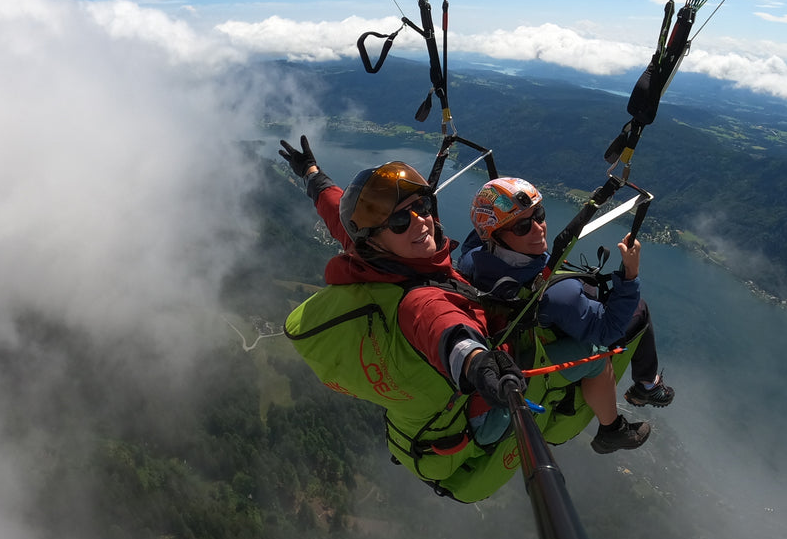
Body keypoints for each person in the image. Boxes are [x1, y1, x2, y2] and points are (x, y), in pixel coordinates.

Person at [278, 136, 525, 492]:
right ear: (374, 239)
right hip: (460, 426)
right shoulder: (416, 299)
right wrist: (477, 362)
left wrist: (311, 174)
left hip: (419, 426)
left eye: (422, 206)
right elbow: (442, 328)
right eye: (398, 222)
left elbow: (337, 213)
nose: (420, 222)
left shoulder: (375, 258)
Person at [457, 177, 672, 455]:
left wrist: (496, 205)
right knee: (637, 311)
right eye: (523, 226)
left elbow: (478, 238)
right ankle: (622, 416)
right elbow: (607, 329)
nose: (539, 228)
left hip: (514, 334)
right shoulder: (558, 294)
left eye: (539, 215)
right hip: (542, 344)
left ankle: (645, 385)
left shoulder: (472, 259)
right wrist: (630, 275)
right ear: (497, 235)